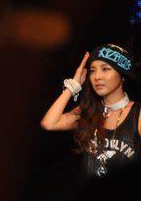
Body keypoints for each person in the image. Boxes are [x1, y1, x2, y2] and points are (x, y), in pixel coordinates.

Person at [40, 44, 139, 179]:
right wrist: (73, 85)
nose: (97, 76)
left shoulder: (137, 114)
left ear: (122, 75)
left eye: (105, 69)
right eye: (92, 70)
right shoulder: (88, 111)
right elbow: (49, 123)